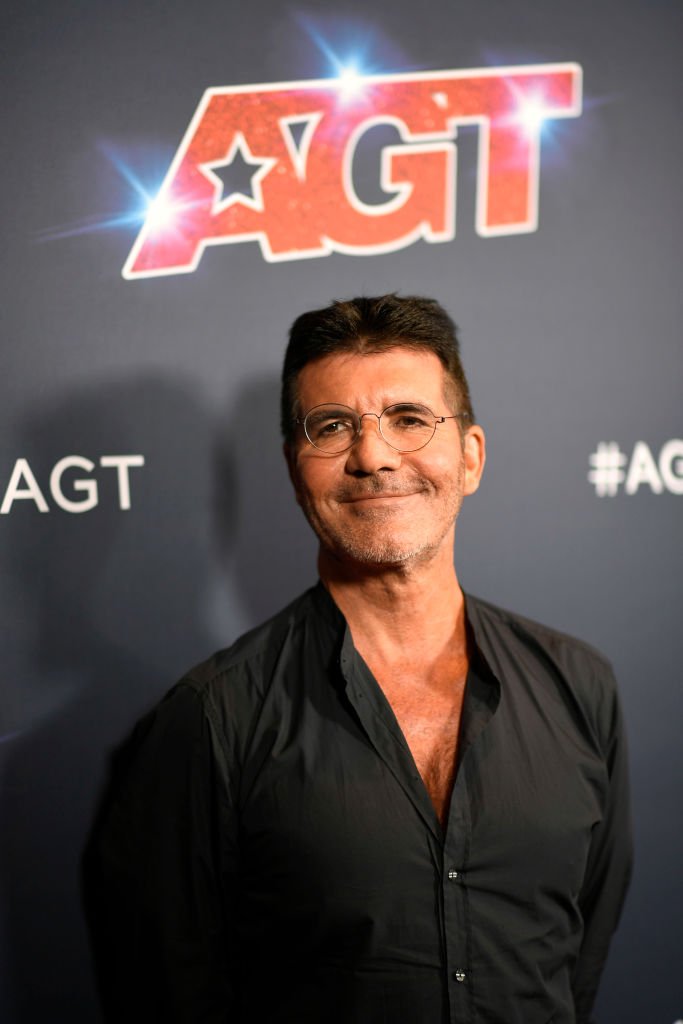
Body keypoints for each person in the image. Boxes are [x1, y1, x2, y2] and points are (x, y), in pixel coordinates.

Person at [83, 294, 632, 1024]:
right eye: (333, 426)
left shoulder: (579, 686)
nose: (372, 455)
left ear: (469, 456)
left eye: (409, 419)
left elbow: (579, 957)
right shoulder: (210, 719)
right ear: (293, 468)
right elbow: (163, 992)